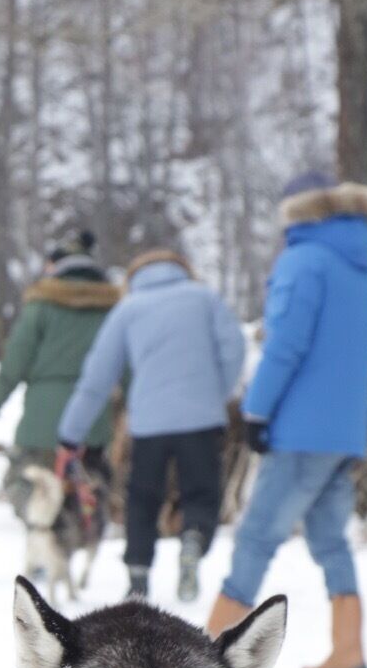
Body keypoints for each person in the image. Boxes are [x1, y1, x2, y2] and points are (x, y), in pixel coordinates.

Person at [206, 174, 367, 668]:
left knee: (257, 537)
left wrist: (256, 412)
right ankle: (348, 648)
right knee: (331, 540)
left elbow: (285, 346)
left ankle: (207, 657)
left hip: (299, 430)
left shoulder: (303, 261)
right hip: (344, 430)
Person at [56, 248, 246, 603]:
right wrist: (215, 393)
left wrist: (70, 435)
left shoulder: (128, 309)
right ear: (183, 270)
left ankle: (139, 573)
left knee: (142, 498)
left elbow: (97, 378)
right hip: (201, 420)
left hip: (149, 424)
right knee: (201, 493)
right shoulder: (205, 298)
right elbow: (235, 347)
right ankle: (193, 539)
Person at [0, 232, 120, 522]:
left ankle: (41, 537)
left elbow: (16, 359)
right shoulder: (113, 309)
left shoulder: (41, 305)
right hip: (93, 419)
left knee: (30, 480)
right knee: (89, 481)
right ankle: (82, 532)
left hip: (42, 420)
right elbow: (127, 362)